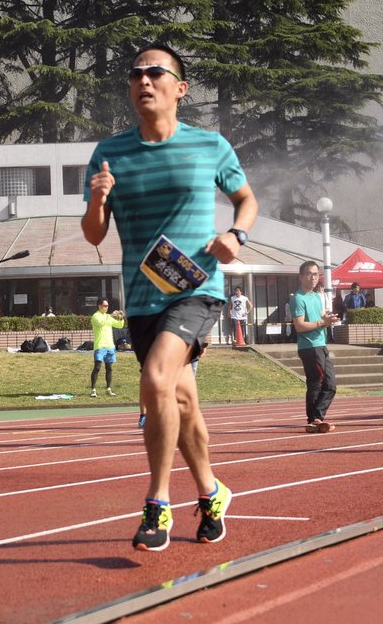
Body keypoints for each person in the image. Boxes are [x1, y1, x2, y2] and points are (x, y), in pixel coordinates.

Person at [82, 43, 256, 552]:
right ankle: (211, 491)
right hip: (141, 298)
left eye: (155, 73)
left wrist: (236, 236)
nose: (143, 81)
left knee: (156, 379)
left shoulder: (210, 146)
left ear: (180, 88)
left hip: (196, 288)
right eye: (135, 74)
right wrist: (97, 199)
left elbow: (246, 200)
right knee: (178, 398)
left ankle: (157, 503)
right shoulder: (110, 153)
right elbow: (94, 234)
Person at [291, 260, 340, 433]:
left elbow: (321, 318)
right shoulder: (298, 298)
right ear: (301, 277)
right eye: (309, 274)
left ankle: (317, 417)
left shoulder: (315, 296)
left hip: (321, 344)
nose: (313, 277)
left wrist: (328, 319)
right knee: (316, 383)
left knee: (331, 384)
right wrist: (321, 322)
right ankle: (313, 420)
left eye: (316, 274)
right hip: (309, 347)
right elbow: (299, 326)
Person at [90, 298, 124, 399]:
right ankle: (93, 389)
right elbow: (100, 323)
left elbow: (119, 325)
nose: (107, 307)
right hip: (100, 345)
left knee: (109, 368)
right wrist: (111, 316)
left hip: (110, 346)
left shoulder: (108, 317)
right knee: (97, 367)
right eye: (105, 306)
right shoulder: (95, 316)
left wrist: (121, 317)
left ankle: (108, 388)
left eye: (107, 306)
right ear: (99, 306)